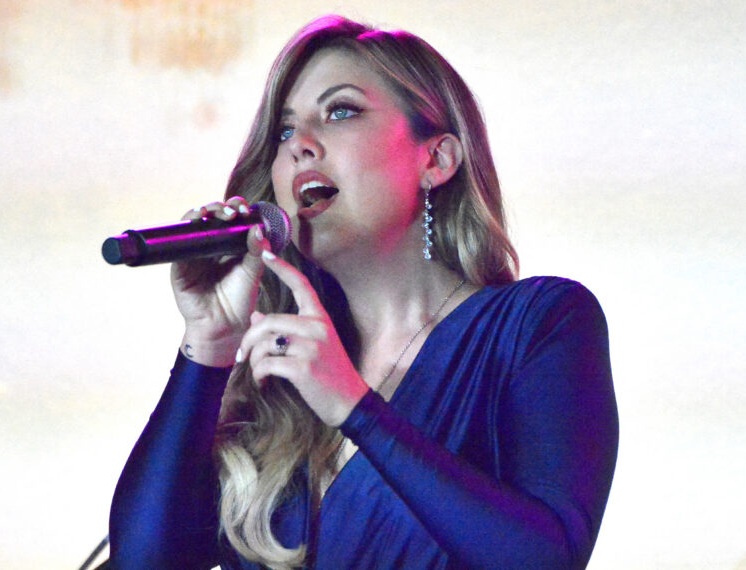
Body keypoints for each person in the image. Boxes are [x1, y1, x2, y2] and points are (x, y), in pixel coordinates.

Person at [109, 14, 618, 570]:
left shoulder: (537, 323)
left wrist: (355, 407)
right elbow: (142, 561)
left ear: (436, 159)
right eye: (284, 131)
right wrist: (210, 343)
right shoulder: (275, 381)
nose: (300, 145)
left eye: (340, 111)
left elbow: (547, 557)